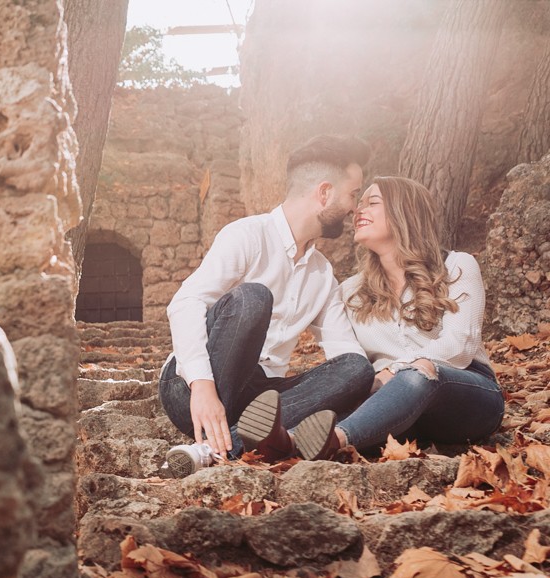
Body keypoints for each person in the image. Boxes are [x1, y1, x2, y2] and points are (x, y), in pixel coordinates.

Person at [157, 135, 375, 476]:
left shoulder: (322, 274)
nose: (354, 207)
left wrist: (390, 379)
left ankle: (215, 448)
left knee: (358, 369)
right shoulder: (247, 235)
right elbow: (186, 302)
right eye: (353, 194)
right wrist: (201, 386)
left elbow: (344, 349)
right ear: (324, 192)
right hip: (194, 388)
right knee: (253, 297)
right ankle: (231, 437)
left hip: (259, 399)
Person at [299, 176, 503, 458]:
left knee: (420, 373)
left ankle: (332, 441)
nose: (359, 211)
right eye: (359, 204)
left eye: (372, 203)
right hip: (392, 407)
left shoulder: (457, 266)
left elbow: (460, 346)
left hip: (465, 396)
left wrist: (397, 370)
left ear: (404, 211)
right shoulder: (349, 292)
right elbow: (347, 359)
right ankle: (287, 440)